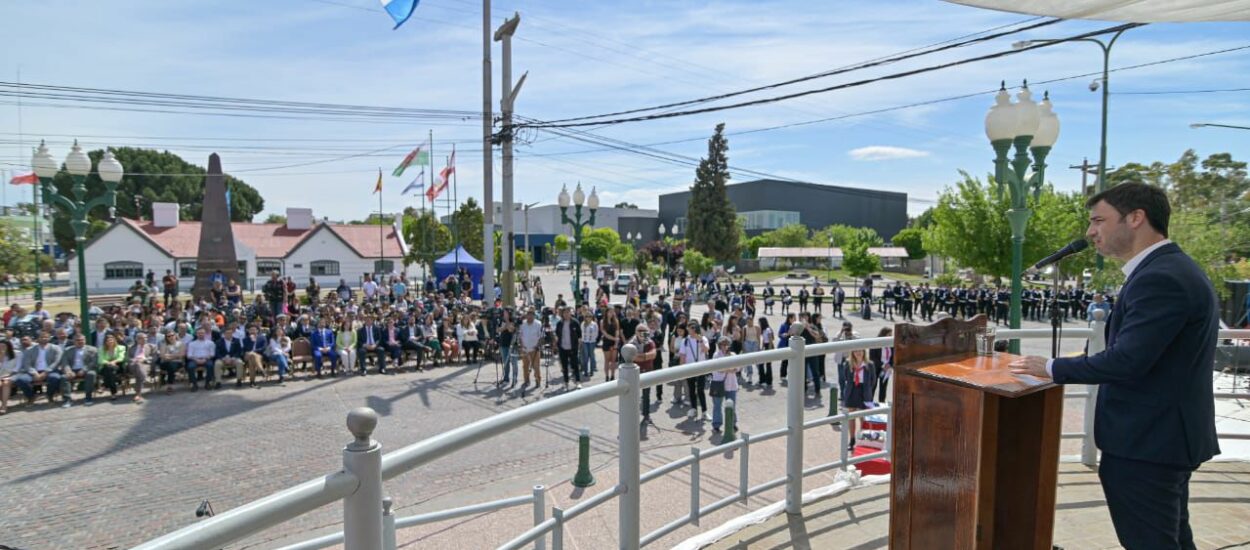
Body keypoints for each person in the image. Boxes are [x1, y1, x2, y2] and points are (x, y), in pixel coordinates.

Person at [1009, 182, 1219, 549]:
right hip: (1163, 438)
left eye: (1098, 220)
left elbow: (1128, 360)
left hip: (1148, 443)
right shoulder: (1171, 267)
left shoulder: (1161, 277)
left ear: (1136, 218)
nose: (1091, 232)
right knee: (1172, 539)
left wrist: (1053, 367)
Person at [838, 348, 876, 449]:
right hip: (852, 391)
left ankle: (863, 439)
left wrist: (867, 391)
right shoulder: (848, 364)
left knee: (863, 417)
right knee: (851, 417)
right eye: (856, 351)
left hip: (864, 391)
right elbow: (845, 378)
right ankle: (852, 440)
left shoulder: (869, 364)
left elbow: (873, 381)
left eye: (860, 351)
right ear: (852, 353)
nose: (858, 353)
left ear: (864, 352)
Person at [709, 338, 740, 432]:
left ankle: (732, 423)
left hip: (731, 385)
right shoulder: (716, 355)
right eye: (723, 344)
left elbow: (737, 368)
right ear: (719, 345)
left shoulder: (733, 355)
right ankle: (716, 425)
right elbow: (718, 369)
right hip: (719, 384)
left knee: (732, 405)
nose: (725, 346)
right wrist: (729, 369)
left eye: (727, 344)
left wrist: (727, 369)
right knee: (717, 405)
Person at [555, 308, 582, 389]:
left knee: (575, 365)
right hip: (562, 348)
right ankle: (566, 382)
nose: (566, 314)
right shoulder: (559, 323)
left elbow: (579, 335)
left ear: (570, 313)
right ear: (562, 314)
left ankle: (577, 382)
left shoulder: (575, 322)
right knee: (564, 367)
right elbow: (557, 334)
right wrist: (556, 344)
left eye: (568, 312)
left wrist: (579, 346)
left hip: (573, 348)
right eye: (565, 313)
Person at [128, 331, 156, 403]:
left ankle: (138, 394)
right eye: (142, 338)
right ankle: (143, 379)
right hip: (133, 364)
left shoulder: (151, 346)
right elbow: (128, 358)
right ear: (137, 339)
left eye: (146, 338)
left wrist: (145, 359)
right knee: (137, 366)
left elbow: (154, 357)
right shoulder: (131, 347)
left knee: (139, 374)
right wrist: (135, 360)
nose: (145, 339)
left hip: (145, 364)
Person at [97, 333, 127, 400]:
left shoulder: (121, 347)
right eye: (108, 340)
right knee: (110, 370)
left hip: (118, 366)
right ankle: (113, 393)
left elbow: (121, 357)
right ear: (105, 342)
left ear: (114, 340)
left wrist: (114, 362)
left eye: (111, 340)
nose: (110, 342)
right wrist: (108, 363)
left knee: (110, 370)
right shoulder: (101, 349)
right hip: (105, 367)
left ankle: (104, 385)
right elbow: (100, 360)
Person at [518, 309, 544, 387]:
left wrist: (538, 345)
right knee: (525, 366)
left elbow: (541, 337)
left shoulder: (538, 324)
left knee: (536, 366)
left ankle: (537, 380)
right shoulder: (522, 324)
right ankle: (526, 381)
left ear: (534, 316)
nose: (529, 316)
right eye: (528, 315)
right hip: (525, 349)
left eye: (531, 315)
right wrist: (521, 345)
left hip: (534, 349)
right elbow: (520, 336)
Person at [0, 338, 21, 413]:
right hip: (1, 375)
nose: (1, 348)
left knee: (6, 383)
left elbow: (18, 367)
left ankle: (4, 406)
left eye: (3, 346)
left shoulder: (17, 353)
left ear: (8, 346)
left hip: (14, 375)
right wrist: (1, 358)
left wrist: (8, 375)